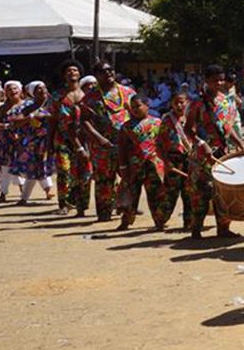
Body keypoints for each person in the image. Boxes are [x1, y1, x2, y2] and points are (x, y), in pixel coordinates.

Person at [186, 64, 244, 239]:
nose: (219, 83)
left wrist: (238, 142)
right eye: (215, 80)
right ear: (206, 81)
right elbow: (188, 129)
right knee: (201, 192)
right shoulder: (197, 102)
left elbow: (227, 127)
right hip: (203, 155)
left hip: (222, 152)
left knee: (223, 191)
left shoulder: (225, 100)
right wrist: (200, 143)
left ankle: (223, 228)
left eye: (221, 79)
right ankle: (196, 229)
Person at [80, 62, 136, 221]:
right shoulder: (90, 97)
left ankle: (126, 209)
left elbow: (137, 113)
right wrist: (99, 138)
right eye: (103, 71)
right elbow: (84, 121)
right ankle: (104, 213)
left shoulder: (128, 92)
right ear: (97, 76)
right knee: (104, 179)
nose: (108, 73)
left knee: (129, 176)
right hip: (102, 145)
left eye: (110, 70)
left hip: (126, 143)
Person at [157, 92, 208, 233]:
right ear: (171, 104)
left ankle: (189, 223)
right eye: (176, 103)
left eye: (182, 102)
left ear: (188, 102)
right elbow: (159, 143)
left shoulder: (192, 118)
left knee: (189, 193)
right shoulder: (167, 120)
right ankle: (160, 220)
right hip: (174, 160)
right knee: (170, 193)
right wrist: (166, 161)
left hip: (190, 159)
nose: (179, 105)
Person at [116, 95, 165, 230]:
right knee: (131, 194)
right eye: (133, 107)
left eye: (138, 106)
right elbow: (121, 148)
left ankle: (159, 222)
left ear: (147, 106)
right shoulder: (126, 127)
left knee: (155, 194)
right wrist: (123, 167)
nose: (135, 109)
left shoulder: (157, 123)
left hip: (154, 165)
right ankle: (126, 221)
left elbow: (163, 143)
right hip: (134, 166)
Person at [50, 62, 92, 217]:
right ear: (64, 75)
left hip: (85, 139)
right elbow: (52, 120)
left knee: (85, 172)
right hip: (63, 138)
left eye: (75, 70)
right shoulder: (57, 96)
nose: (72, 72)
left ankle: (81, 205)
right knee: (64, 170)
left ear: (79, 74)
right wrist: (49, 143)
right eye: (68, 70)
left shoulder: (88, 95)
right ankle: (64, 204)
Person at [8, 82, 55, 205]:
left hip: (51, 141)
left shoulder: (53, 104)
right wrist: (31, 116)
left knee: (49, 168)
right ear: (33, 93)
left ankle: (62, 198)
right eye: (38, 89)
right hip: (34, 144)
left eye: (44, 87)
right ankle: (24, 198)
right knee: (33, 169)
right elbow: (15, 121)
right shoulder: (29, 107)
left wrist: (44, 114)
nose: (42, 90)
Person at [0, 81, 24, 202]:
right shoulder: (2, 108)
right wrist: (7, 126)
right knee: (5, 168)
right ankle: (3, 193)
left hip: (25, 142)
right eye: (9, 89)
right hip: (6, 142)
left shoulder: (27, 105)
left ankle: (24, 193)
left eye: (15, 88)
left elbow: (41, 115)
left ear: (20, 91)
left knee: (24, 166)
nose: (12, 91)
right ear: (5, 93)